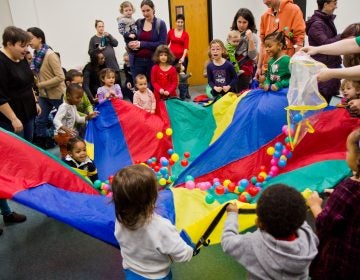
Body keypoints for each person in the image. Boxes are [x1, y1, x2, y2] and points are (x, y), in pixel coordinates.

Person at [112, 164, 193, 279]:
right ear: (153, 198)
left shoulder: (120, 220)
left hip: (132, 272)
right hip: (157, 276)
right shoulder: (162, 227)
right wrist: (190, 247)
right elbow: (183, 255)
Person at [222, 184, 318, 279]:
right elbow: (298, 218)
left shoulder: (252, 244)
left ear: (259, 221)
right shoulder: (308, 237)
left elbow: (227, 241)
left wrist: (232, 214)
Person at [0, 26, 40, 235]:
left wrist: (35, 102)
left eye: (27, 45)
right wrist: (14, 118)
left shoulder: (22, 58)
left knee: (27, 155)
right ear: (8, 44)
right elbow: (0, 97)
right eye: (21, 45)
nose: (25, 49)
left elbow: (28, 82)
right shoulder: (1, 63)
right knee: (5, 167)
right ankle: (5, 210)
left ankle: (10, 208)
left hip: (28, 114)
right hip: (11, 120)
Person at [306, 128, 360, 279]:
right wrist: (338, 195)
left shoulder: (348, 190)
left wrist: (315, 205)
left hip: (340, 262)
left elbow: (325, 224)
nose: (345, 154)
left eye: (348, 151)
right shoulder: (347, 193)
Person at [27, 27, 65, 150]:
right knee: (40, 120)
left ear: (40, 38)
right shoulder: (36, 55)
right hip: (44, 95)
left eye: (31, 38)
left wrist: (40, 85)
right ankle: (43, 145)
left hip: (57, 94)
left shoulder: (50, 55)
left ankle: (69, 144)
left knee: (64, 121)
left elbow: (60, 77)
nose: (29, 41)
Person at [256, 0, 305, 84]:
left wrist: (296, 68)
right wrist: (259, 67)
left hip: (285, 72)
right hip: (267, 71)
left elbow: (299, 41)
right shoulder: (265, 16)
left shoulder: (294, 10)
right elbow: (263, 44)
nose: (264, 2)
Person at [306, 0, 342, 103]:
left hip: (329, 67)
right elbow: (326, 44)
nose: (336, 7)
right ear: (325, 4)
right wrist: (343, 36)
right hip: (324, 69)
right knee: (323, 104)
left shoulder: (325, 21)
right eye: (334, 3)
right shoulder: (317, 24)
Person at [53, 83, 98, 158]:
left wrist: (88, 117)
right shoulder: (64, 107)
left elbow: (78, 119)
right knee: (66, 153)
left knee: (70, 151)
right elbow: (56, 120)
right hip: (62, 135)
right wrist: (65, 128)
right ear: (68, 96)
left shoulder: (73, 106)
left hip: (68, 134)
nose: (80, 100)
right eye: (77, 97)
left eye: (81, 97)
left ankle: (70, 163)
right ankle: (66, 165)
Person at [127, 0, 167, 82]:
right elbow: (131, 38)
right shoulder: (138, 22)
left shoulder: (160, 24)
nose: (145, 13)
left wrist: (142, 44)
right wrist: (130, 44)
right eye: (143, 11)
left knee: (152, 86)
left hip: (152, 61)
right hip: (137, 60)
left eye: (148, 10)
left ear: (153, 9)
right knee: (139, 88)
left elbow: (162, 44)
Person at [230, 8, 259, 92]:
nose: (241, 25)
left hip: (245, 69)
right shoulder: (232, 34)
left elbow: (252, 56)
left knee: (242, 93)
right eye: (239, 22)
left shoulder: (253, 36)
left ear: (249, 23)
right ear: (236, 21)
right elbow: (228, 52)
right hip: (232, 67)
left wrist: (250, 38)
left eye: (244, 22)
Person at [65, 69, 94, 137]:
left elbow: (88, 104)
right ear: (68, 83)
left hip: (83, 121)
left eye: (81, 83)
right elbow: (72, 112)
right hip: (72, 125)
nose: (80, 85)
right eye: (77, 83)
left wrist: (91, 112)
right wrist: (87, 116)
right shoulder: (66, 96)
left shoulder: (82, 92)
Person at [150, 45, 178, 112]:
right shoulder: (155, 68)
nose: (163, 57)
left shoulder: (172, 69)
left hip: (170, 94)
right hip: (158, 94)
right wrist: (159, 89)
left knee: (171, 111)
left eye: (165, 55)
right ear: (157, 56)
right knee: (160, 111)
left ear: (168, 56)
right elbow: (153, 81)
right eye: (161, 55)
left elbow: (174, 83)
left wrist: (169, 91)